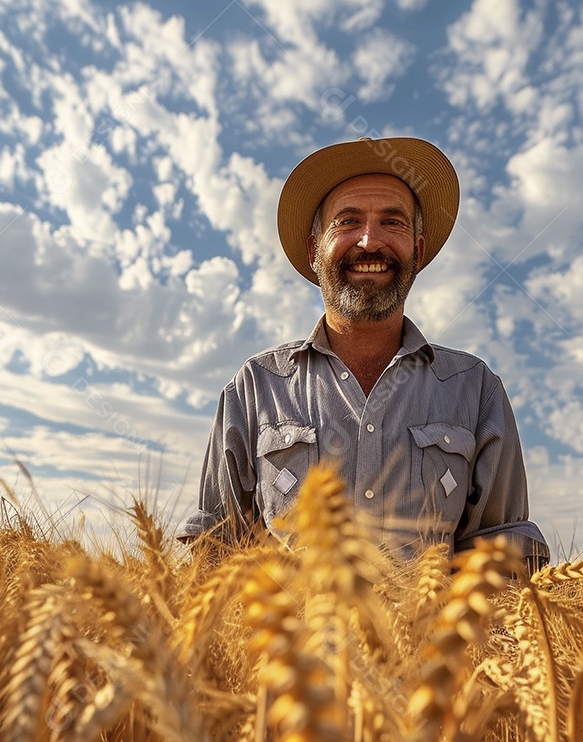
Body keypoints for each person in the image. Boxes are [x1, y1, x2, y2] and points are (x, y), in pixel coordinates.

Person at [177, 136, 549, 570]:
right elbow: (213, 561)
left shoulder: (476, 390)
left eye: (393, 223)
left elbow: (503, 569)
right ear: (315, 250)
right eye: (347, 221)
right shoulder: (255, 389)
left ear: (419, 250)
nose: (370, 241)